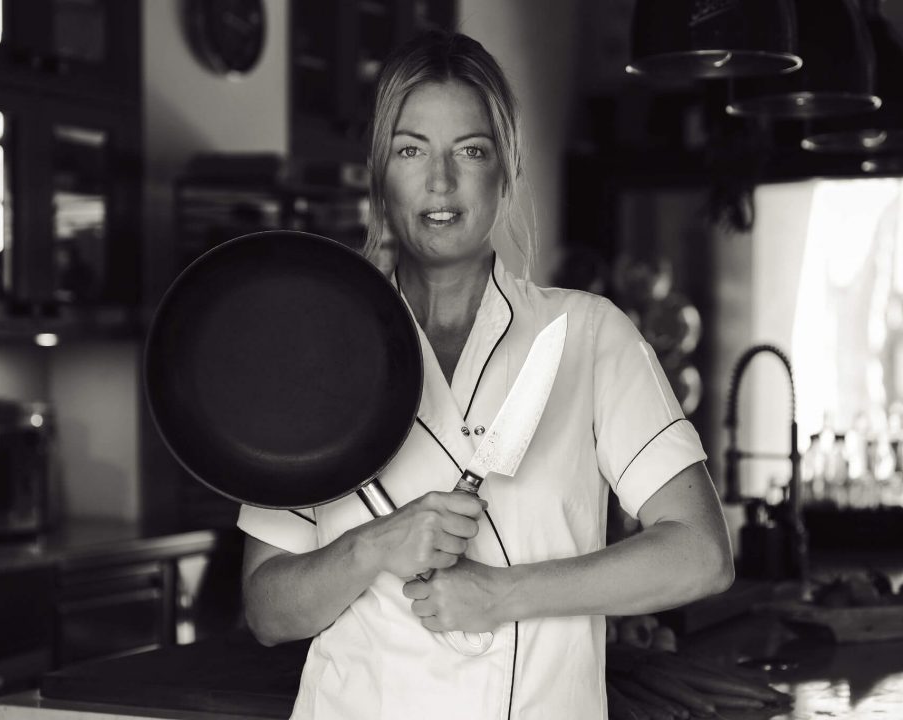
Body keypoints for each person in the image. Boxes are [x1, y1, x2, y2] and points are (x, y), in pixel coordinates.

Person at [239, 30, 734, 720]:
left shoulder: (589, 337)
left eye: (468, 151)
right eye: (412, 150)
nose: (440, 183)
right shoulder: (318, 353)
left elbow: (701, 554)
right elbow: (267, 607)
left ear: (506, 168)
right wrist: (373, 547)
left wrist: (503, 593)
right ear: (382, 172)